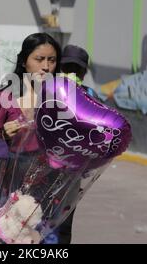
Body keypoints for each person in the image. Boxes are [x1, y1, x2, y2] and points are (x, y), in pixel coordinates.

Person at [0, 32, 62, 243]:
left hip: (46, 193)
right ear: (25, 62)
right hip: (9, 193)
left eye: (51, 60)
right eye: (39, 59)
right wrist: (4, 135)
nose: (45, 66)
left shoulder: (61, 102)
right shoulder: (6, 97)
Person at [58, 44, 99, 244]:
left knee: (63, 227)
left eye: (77, 70)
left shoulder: (90, 95)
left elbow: (100, 131)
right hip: (41, 172)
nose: (72, 74)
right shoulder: (47, 91)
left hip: (72, 175)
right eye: (67, 69)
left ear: (84, 73)